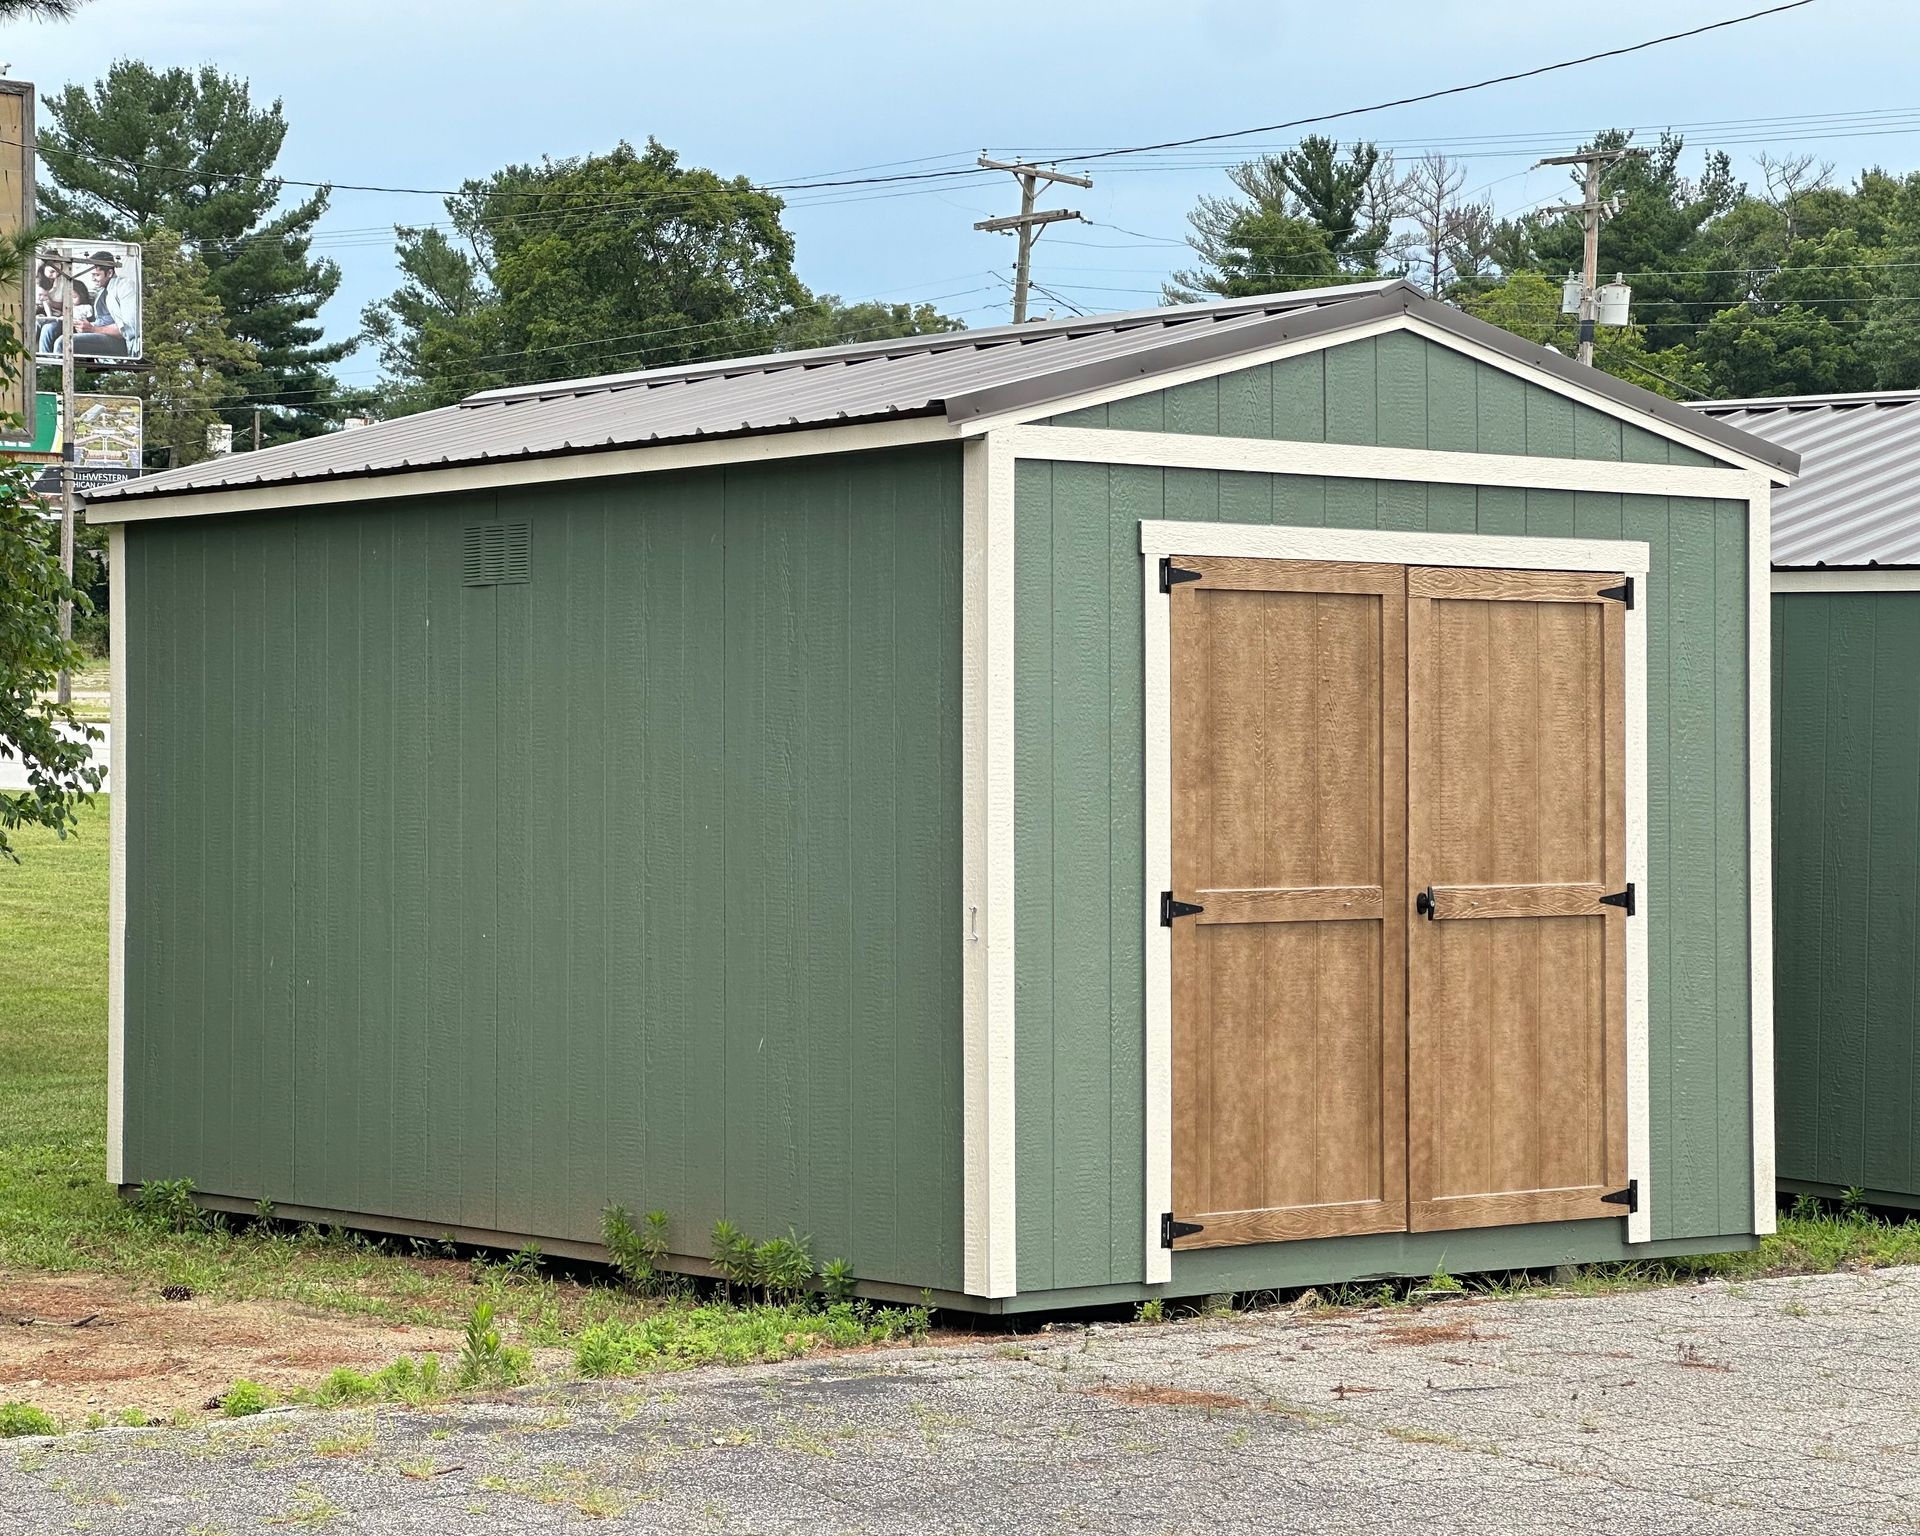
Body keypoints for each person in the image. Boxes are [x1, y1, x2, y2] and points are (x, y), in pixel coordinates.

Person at [69, 250, 138, 358]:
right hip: (100, 332)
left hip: (120, 342)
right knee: (55, 329)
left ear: (109, 273)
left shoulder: (125, 286)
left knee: (64, 342)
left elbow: (129, 328)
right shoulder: (101, 290)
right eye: (92, 275)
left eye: (96, 275)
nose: (93, 279)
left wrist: (92, 329)